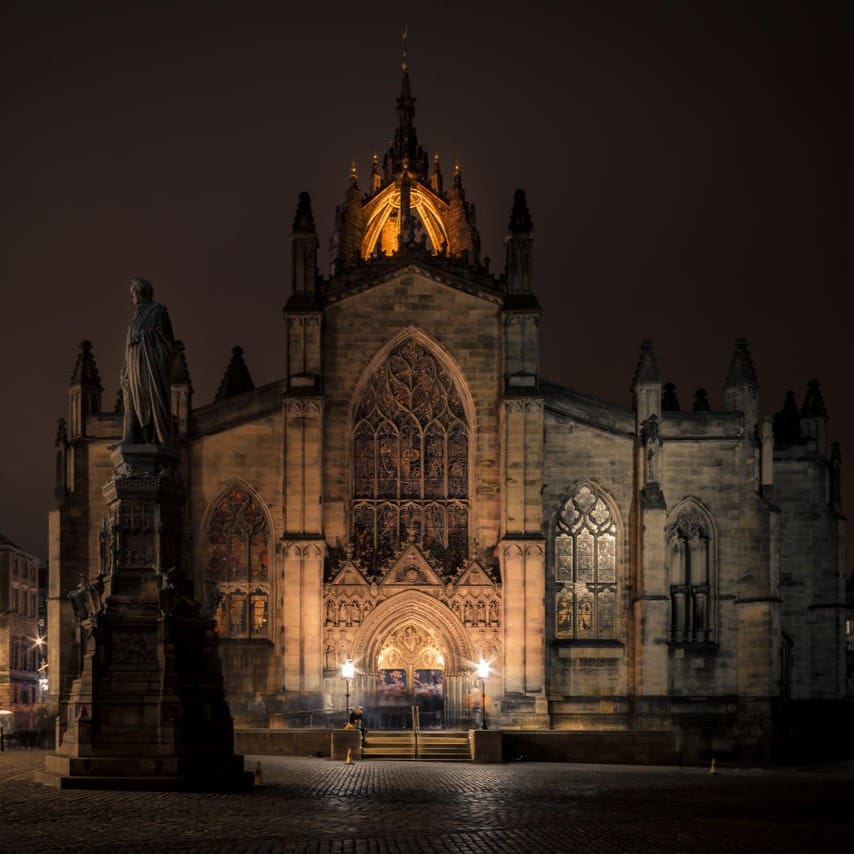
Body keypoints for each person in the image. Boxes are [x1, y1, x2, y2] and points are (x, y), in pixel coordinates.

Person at [121, 277, 176, 446]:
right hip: (134, 367)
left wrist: (144, 337)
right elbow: (128, 346)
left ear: (143, 292)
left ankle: (153, 436)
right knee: (133, 403)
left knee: (150, 402)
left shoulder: (158, 311)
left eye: (133, 293)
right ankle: (133, 436)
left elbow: (167, 343)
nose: (131, 297)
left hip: (150, 369)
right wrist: (126, 368)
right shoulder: (134, 318)